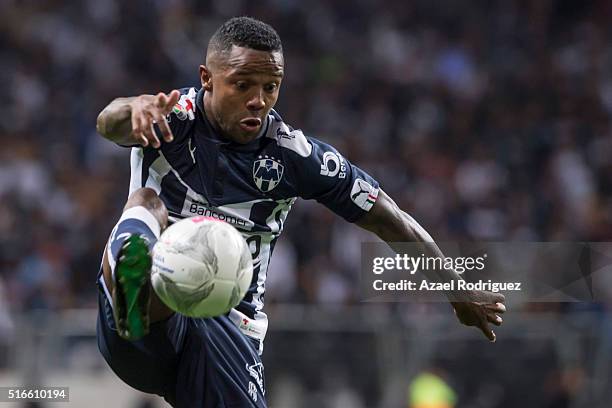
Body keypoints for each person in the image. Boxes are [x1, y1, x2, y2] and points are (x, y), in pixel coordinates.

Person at [95, 16, 506, 408]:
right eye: (242, 85)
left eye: (271, 87)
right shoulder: (170, 118)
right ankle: (133, 285)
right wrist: (134, 108)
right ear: (207, 78)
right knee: (147, 203)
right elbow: (110, 122)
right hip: (148, 319)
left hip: (228, 329)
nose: (258, 100)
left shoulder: (294, 154)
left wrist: (455, 288)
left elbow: (388, 216)